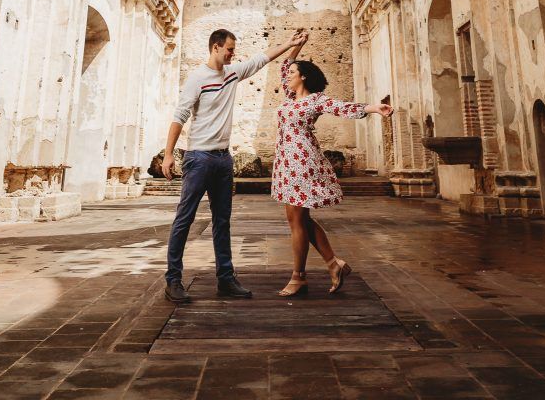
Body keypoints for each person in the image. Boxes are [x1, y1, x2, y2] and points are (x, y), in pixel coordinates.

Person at [163, 26, 308, 303]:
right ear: (216, 47)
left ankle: (225, 279)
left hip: (222, 159)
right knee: (184, 219)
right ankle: (173, 281)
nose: (233, 54)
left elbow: (261, 59)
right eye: (229, 49)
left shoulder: (232, 73)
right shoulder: (197, 79)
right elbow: (179, 116)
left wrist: (289, 43)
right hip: (199, 158)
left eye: (234, 50)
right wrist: (170, 155)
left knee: (222, 221)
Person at [272, 51, 393, 297]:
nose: (287, 76)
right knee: (302, 220)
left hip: (302, 163)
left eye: (293, 73)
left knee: (296, 221)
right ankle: (333, 264)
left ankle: (298, 278)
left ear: (303, 77)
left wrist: (373, 108)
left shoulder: (315, 100)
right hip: (286, 163)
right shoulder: (289, 98)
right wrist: (295, 46)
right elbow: (284, 65)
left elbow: (341, 107)